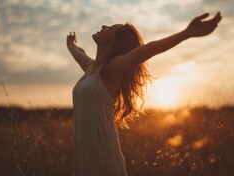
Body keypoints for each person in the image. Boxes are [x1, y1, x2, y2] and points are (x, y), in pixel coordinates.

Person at [66, 12, 222, 176]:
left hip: (103, 153)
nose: (104, 26)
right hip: (85, 154)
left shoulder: (112, 68)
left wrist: (187, 33)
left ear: (114, 43)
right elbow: (79, 52)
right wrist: (70, 43)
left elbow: (146, 50)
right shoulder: (91, 68)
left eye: (111, 28)